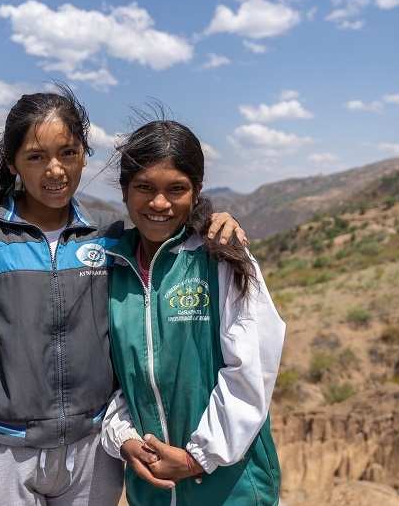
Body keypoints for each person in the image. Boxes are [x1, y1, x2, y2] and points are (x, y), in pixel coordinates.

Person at [0, 86, 246, 505]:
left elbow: (167, 228)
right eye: (36, 157)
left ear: (84, 155)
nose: (55, 170)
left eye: (68, 153)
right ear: (12, 163)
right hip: (2, 449)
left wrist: (213, 221)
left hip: (92, 451)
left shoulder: (110, 239)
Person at [101, 119, 286, 506]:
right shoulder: (110, 267)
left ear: (196, 191)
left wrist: (196, 458)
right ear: (124, 190)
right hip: (151, 488)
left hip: (229, 489)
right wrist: (125, 439)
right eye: (144, 188)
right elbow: (112, 380)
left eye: (176, 189)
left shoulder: (222, 259)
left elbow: (251, 372)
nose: (159, 203)